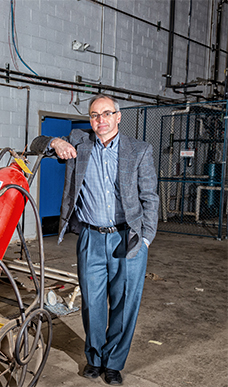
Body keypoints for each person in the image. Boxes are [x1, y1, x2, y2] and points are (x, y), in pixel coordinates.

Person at [30, 94, 159, 385]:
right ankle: (95, 357)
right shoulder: (79, 141)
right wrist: (54, 143)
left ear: (118, 116)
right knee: (93, 302)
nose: (100, 120)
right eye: (94, 115)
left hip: (128, 237)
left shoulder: (138, 150)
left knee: (125, 303)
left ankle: (114, 363)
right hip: (90, 237)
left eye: (106, 113)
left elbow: (150, 198)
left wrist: (147, 238)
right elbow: (35, 143)